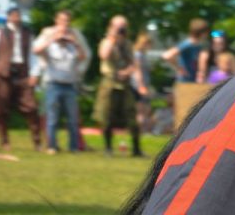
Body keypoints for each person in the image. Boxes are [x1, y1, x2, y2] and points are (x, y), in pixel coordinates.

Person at [0, 7, 41, 150]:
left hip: (23, 73)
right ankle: (4, 141)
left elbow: (33, 55)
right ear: (9, 17)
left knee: (31, 107)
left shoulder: (27, 33)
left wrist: (35, 73)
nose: (17, 18)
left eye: (19, 15)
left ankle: (37, 142)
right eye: (14, 15)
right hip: (4, 74)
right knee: (1, 108)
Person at [32, 9, 89, 154]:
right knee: (52, 118)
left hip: (70, 84)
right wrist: (52, 38)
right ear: (56, 21)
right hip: (53, 83)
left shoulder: (73, 39)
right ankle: (52, 146)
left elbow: (83, 56)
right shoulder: (49, 37)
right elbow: (36, 50)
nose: (65, 24)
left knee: (72, 118)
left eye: (67, 21)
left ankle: (74, 147)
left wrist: (75, 43)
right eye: (62, 21)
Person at [96, 15, 143, 157]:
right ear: (111, 27)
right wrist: (113, 38)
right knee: (106, 115)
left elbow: (133, 63)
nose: (122, 30)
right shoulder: (107, 42)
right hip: (110, 83)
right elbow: (104, 55)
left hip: (125, 84)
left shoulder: (127, 44)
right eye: (119, 27)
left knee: (131, 115)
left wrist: (127, 72)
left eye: (123, 27)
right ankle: (108, 148)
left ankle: (136, 149)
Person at [162, 18, 208, 83]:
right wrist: (179, 69)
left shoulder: (198, 45)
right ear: (202, 33)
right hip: (184, 80)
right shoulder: (187, 44)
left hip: (192, 80)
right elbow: (167, 55)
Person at [133, 33, 155, 135]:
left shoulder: (141, 55)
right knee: (142, 110)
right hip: (140, 85)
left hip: (143, 84)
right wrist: (141, 86)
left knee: (146, 109)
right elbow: (138, 71)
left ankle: (144, 130)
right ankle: (141, 131)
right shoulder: (138, 55)